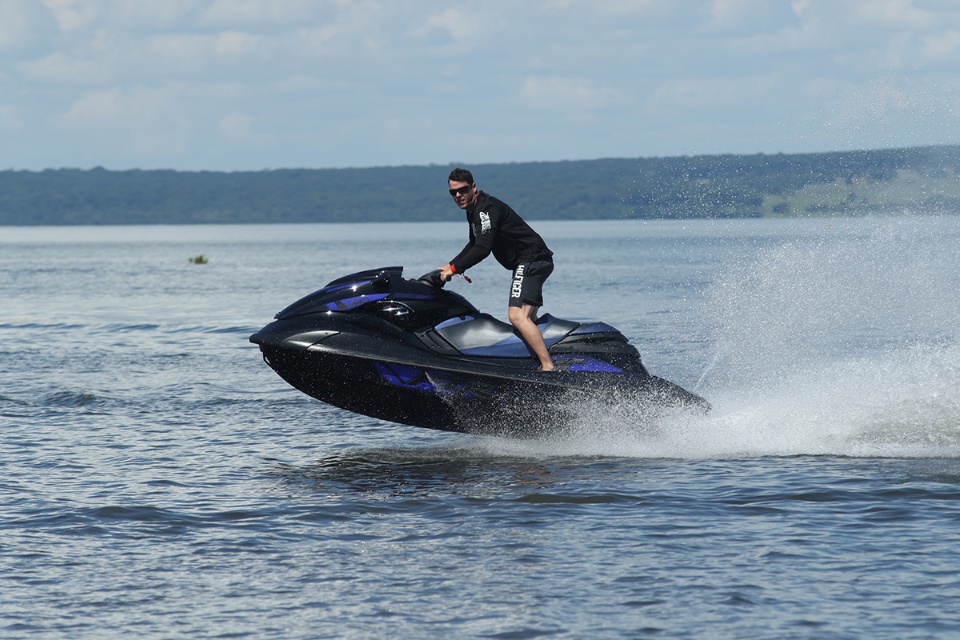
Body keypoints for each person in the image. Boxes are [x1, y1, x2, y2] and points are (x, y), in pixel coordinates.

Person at [438, 167, 556, 371]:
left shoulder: (485, 210)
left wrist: (455, 269)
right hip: (533, 261)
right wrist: (451, 265)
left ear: (473, 187)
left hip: (531, 259)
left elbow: (483, 249)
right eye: (453, 192)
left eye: (463, 190)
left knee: (517, 316)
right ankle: (548, 357)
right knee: (528, 319)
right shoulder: (474, 211)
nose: (458, 196)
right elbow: (474, 242)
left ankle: (548, 367)